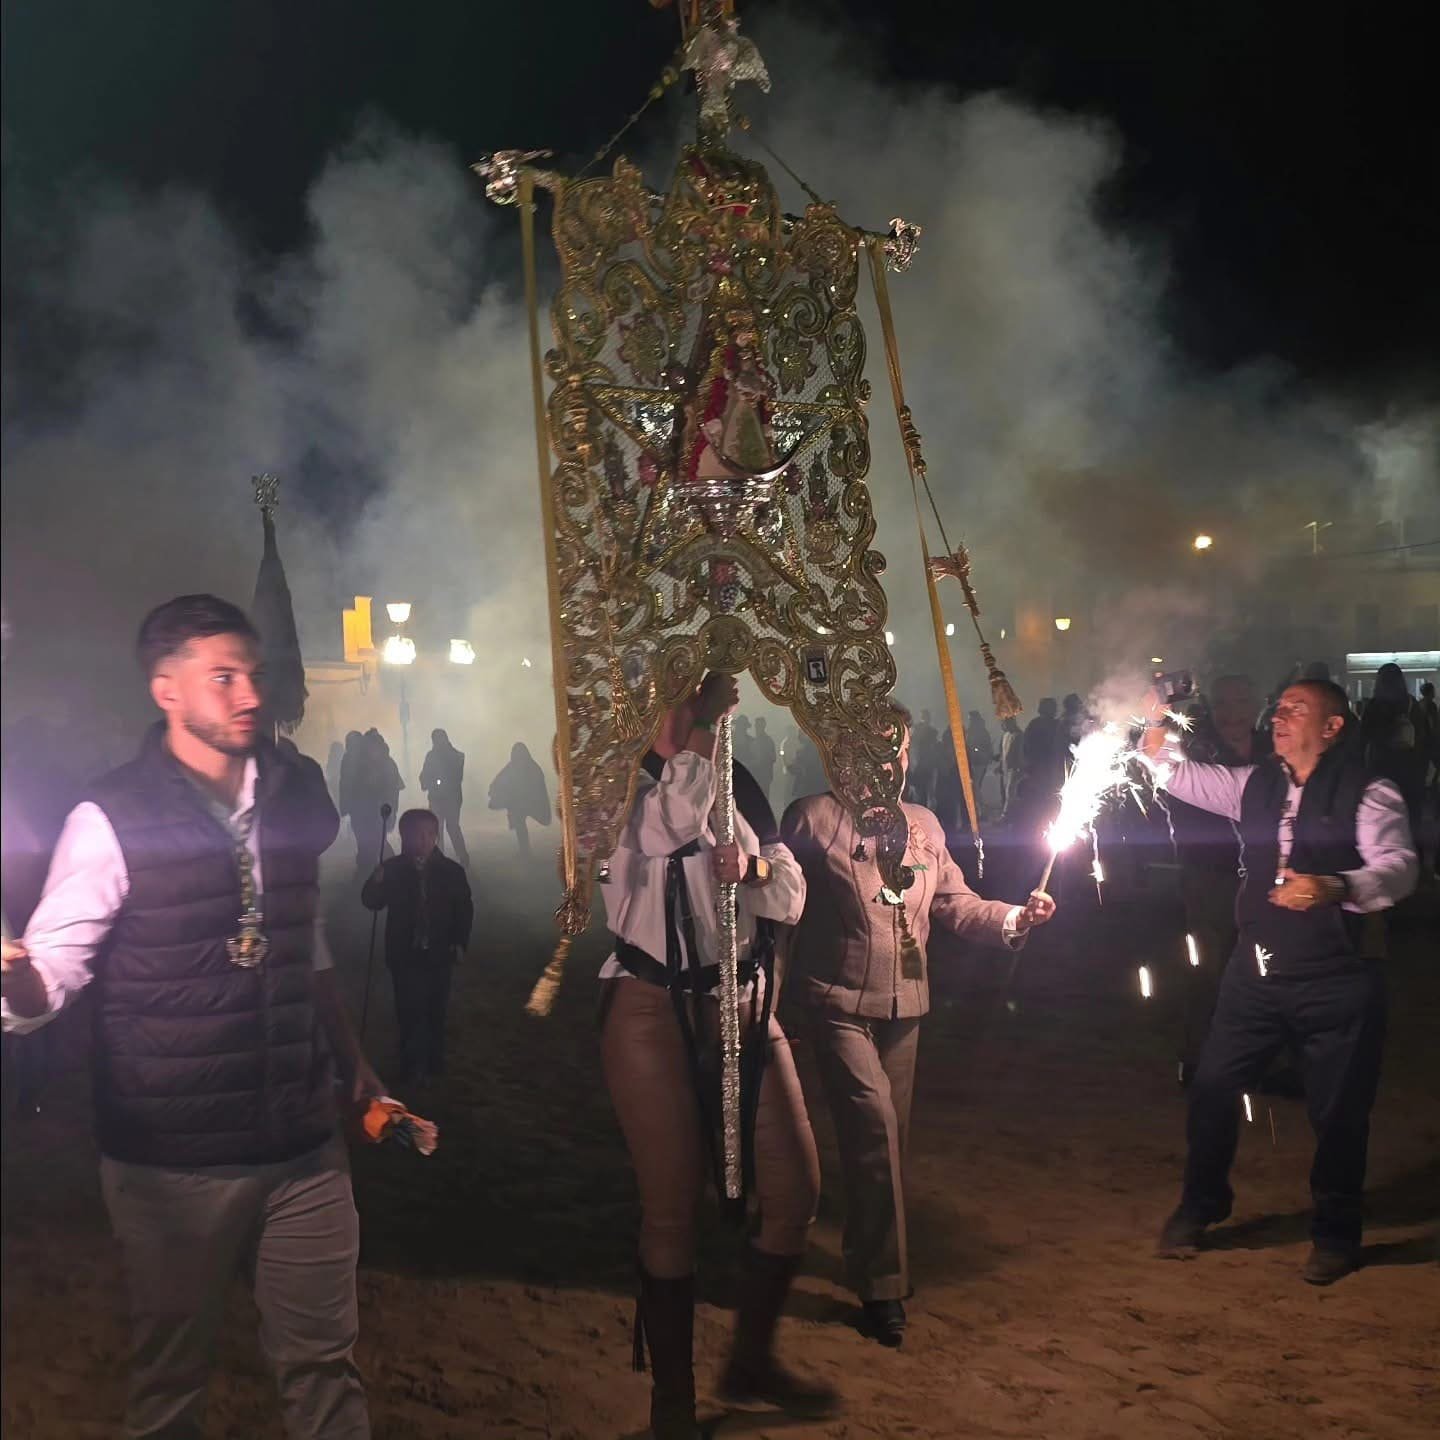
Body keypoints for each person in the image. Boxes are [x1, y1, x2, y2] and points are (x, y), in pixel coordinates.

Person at [0, 594, 381, 1437]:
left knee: (326, 1371)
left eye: (253, 674)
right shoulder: (111, 817)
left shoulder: (292, 794)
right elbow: (53, 974)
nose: (251, 694)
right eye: (224, 677)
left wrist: (353, 1060)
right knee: (171, 1384)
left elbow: (304, 938)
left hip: (304, 1147)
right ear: (166, 690)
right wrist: (17, 982)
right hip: (171, 1159)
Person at [600, 674, 834, 1437]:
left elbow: (790, 892)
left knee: (796, 1188)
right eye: (680, 700)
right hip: (651, 1008)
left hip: (743, 1001)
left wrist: (753, 871)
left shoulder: (736, 782)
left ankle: (751, 1362)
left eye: (694, 698)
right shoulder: (614, 784)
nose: (691, 712)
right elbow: (668, 828)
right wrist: (703, 731)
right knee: (672, 1208)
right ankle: (673, 1399)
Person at [782, 715, 1057, 1346]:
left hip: (906, 1007)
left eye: (899, 750)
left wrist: (1016, 918)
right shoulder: (813, 818)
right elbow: (778, 904)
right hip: (836, 1003)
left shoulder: (925, 825)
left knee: (888, 1146)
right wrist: (768, 995)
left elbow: (955, 903)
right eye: (877, 748)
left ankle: (866, 1254)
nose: (890, 763)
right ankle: (883, 1287)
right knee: (875, 1130)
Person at [1145, 678, 1417, 1284]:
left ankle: (1336, 1234)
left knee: (1339, 1113)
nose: (1279, 716)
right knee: (1213, 1086)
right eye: (1280, 707)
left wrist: (1336, 886)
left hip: (1337, 976)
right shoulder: (1254, 784)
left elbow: (1400, 869)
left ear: (1332, 727)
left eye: (1297, 709)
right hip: (1256, 971)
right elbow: (1167, 769)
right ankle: (1202, 1204)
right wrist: (1157, 714)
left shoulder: (1370, 792)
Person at [1167, 674, 1266, 1084]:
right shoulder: (1194, 750)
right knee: (1208, 968)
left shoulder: (1273, 749)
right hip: (1209, 875)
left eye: (1241, 702)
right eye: (1224, 703)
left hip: (1266, 877)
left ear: (1256, 705)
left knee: (1265, 968)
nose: (1232, 713)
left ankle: (1259, 1060)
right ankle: (1198, 1059)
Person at [362, 809, 473, 1083]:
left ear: (436, 836)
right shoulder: (392, 869)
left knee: (437, 1008)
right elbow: (373, 903)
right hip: (404, 952)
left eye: (428, 834)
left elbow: (463, 910)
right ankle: (410, 1064)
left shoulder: (451, 871)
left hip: (440, 951)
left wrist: (460, 941)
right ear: (403, 836)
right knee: (408, 1009)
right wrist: (375, 883)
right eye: (415, 835)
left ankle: (435, 1060)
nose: (422, 840)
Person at [487, 742, 552, 857]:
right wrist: (495, 790)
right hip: (518, 803)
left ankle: (525, 851)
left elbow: (538, 788)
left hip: (531, 802)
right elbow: (500, 779)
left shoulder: (533, 768)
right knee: (519, 823)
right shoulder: (512, 766)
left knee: (519, 823)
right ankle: (524, 851)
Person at [418, 728, 470, 866]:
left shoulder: (456, 756)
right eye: (436, 739)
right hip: (436, 798)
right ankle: (439, 858)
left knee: (452, 827)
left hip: (452, 798)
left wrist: (437, 781)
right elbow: (424, 773)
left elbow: (457, 777)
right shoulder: (431, 756)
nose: (438, 742)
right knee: (437, 828)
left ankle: (463, 856)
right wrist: (426, 782)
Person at [907, 708, 939, 808]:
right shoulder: (920, 731)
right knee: (921, 790)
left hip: (926, 765)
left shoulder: (930, 731)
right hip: (921, 764)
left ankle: (925, 809)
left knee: (927, 791)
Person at [966, 709, 995, 812]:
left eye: (971, 719)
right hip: (972, 761)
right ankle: (978, 807)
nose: (969, 721)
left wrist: (977, 750)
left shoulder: (982, 732)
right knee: (974, 786)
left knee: (975, 786)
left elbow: (986, 747)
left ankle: (980, 808)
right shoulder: (970, 731)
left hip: (979, 762)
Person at [998, 714, 1024, 815]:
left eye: (1005, 723)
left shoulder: (1019, 736)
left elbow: (1020, 753)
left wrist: (1019, 767)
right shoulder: (1005, 735)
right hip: (1006, 769)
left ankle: (1007, 814)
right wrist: (1001, 766)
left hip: (1014, 769)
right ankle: (1009, 814)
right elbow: (1003, 753)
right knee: (1006, 792)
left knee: (1010, 792)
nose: (1003, 725)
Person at [750, 715, 778, 801]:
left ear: (763, 726)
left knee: (763, 796)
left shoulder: (768, 741)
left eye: (759, 725)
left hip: (764, 774)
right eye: (756, 725)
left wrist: (763, 761)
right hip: (756, 773)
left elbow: (773, 758)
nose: (757, 727)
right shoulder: (754, 740)